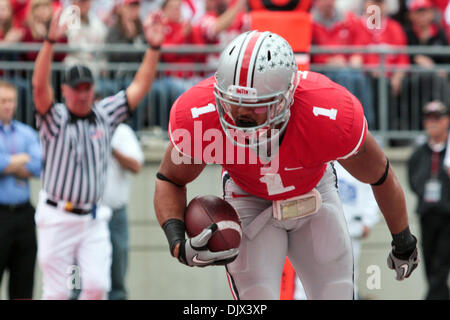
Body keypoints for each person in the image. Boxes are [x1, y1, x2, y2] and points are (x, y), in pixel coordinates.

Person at [154, 30, 419, 300]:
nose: (240, 117)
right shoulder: (200, 114)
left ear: (286, 98)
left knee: (335, 293)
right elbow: (171, 179)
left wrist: (403, 239)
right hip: (247, 197)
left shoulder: (327, 113)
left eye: (255, 107)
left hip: (313, 193)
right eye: (232, 104)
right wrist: (177, 241)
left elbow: (380, 175)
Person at [31, 9, 164, 300]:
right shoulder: (54, 119)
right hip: (58, 218)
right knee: (59, 292)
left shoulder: (104, 114)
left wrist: (153, 48)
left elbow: (139, 86)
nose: (82, 94)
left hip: (92, 219)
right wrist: (50, 42)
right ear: (64, 90)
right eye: (76, 89)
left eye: (87, 88)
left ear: (93, 89)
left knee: (96, 287)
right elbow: (39, 87)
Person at [0, 80, 42, 300]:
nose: (8, 105)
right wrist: (20, 160)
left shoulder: (26, 132)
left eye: (11, 101)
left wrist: (9, 164)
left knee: (23, 283)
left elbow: (37, 165)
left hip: (24, 215)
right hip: (0, 215)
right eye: (3, 101)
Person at [407, 100, 449, 300]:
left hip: (447, 214)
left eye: (437, 119)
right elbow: (413, 178)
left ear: (446, 120)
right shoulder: (419, 152)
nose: (432, 123)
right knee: (430, 262)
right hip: (427, 213)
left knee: (441, 264)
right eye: (428, 119)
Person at [103, 123, 144, 300]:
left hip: (114, 216)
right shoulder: (75, 127)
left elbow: (136, 166)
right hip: (82, 218)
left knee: (117, 280)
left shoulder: (121, 132)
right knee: (76, 279)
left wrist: (111, 150)